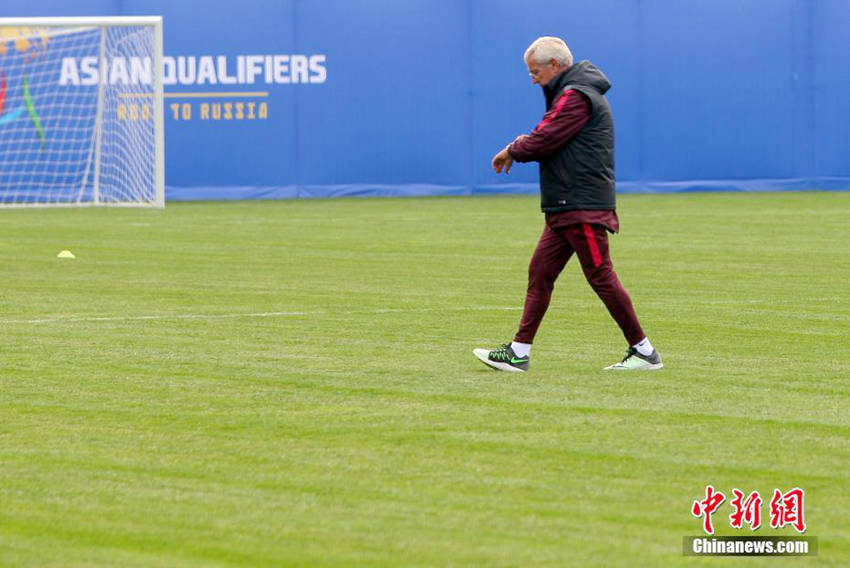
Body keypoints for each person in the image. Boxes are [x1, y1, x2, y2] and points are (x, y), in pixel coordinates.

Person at [473, 36, 662, 372]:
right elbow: (548, 132)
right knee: (540, 273)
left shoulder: (576, 96)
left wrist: (513, 148)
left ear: (554, 66)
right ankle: (519, 352)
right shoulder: (572, 92)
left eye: (535, 72)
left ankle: (644, 351)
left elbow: (545, 137)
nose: (532, 79)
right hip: (567, 204)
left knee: (600, 275)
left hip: (581, 204)